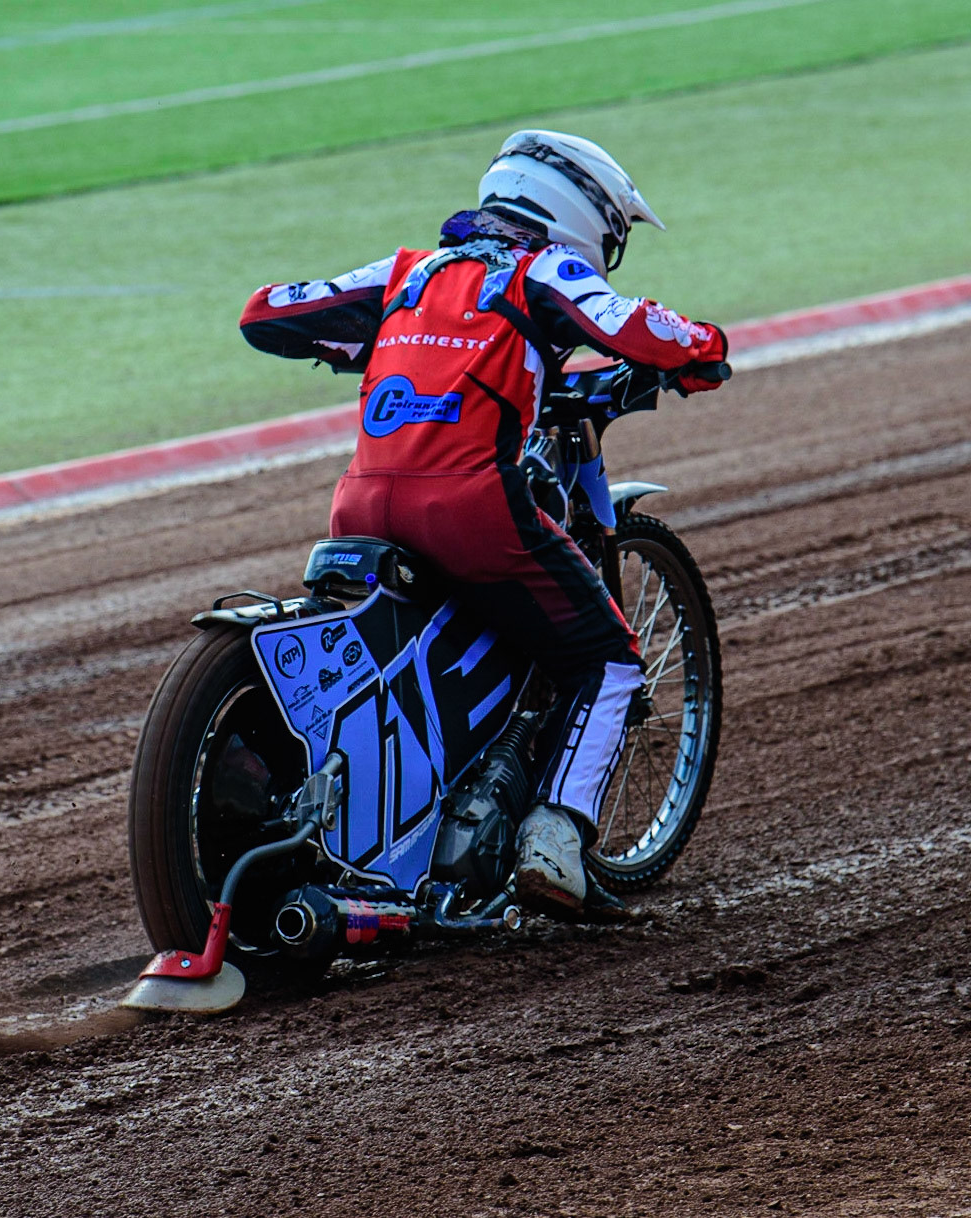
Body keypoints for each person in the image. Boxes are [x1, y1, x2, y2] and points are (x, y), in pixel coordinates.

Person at [239, 130, 729, 920]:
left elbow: (265, 314)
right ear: (583, 216)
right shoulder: (545, 272)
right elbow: (636, 328)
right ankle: (554, 841)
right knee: (606, 659)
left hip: (359, 505)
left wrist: (366, 345)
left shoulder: (403, 271)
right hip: (469, 505)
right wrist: (705, 348)